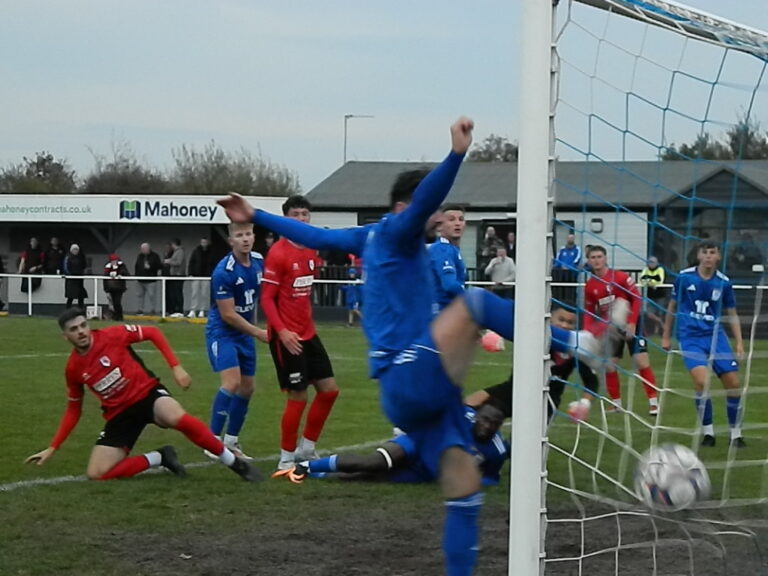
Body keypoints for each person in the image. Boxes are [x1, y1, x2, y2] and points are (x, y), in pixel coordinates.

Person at [217, 117, 602, 575]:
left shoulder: (371, 236)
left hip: (409, 397)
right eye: (433, 212)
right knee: (477, 303)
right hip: (410, 372)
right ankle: (573, 342)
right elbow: (418, 204)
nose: (439, 219)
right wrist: (457, 153)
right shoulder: (399, 231)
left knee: (464, 491)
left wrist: (255, 214)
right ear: (408, 206)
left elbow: (315, 236)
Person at [24, 308, 259, 482]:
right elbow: (74, 409)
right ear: (66, 337)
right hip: (118, 414)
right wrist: (53, 447)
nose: (81, 332)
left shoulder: (113, 335)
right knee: (97, 473)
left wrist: (175, 366)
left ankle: (233, 463)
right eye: (74, 330)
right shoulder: (73, 369)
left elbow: (153, 333)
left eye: (83, 325)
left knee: (177, 417)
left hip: (147, 394)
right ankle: (160, 457)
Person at [261, 195, 341, 473]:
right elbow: (267, 299)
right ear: (285, 219)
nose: (302, 219)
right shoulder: (278, 253)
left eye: (306, 214)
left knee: (329, 391)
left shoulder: (311, 249)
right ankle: (286, 457)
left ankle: (307, 448)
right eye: (296, 214)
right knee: (298, 396)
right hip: (286, 337)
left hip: (308, 333)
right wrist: (282, 332)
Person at [287, 402, 508, 488]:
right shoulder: (461, 415)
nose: (488, 426)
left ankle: (319, 476)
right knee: (376, 462)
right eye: (485, 420)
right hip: (416, 443)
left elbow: (490, 477)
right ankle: (307, 466)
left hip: (426, 471)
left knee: (366, 479)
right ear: (477, 417)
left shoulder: (497, 451)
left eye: (494, 424)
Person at [662, 242, 745, 447]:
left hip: (716, 336)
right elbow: (672, 307)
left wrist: (739, 343)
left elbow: (732, 313)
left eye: (713, 252)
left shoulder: (724, 282)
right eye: (705, 252)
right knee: (701, 382)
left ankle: (736, 434)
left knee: (733, 384)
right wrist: (666, 336)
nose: (708, 256)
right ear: (698, 256)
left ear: (718, 257)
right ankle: (708, 433)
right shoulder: (684, 277)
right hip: (690, 337)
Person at [205, 223, 268, 460]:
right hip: (222, 332)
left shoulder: (259, 262)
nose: (245, 239)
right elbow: (228, 315)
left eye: (248, 234)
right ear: (231, 241)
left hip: (245, 332)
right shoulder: (224, 271)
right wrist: (258, 332)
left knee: (248, 387)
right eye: (239, 235)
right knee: (231, 382)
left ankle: (231, 441)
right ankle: (211, 441)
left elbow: (257, 300)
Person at [584, 245, 659, 415]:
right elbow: (589, 311)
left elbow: (637, 299)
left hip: (632, 323)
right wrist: (587, 332)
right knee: (609, 365)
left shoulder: (620, 277)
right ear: (588, 261)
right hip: (611, 328)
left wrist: (632, 323)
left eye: (599, 256)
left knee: (641, 361)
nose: (596, 260)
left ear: (605, 258)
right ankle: (616, 404)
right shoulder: (590, 286)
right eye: (593, 257)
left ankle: (654, 402)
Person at [428, 203, 467, 312]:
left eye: (461, 219)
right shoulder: (442, 249)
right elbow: (449, 285)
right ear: (440, 226)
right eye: (451, 219)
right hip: (440, 314)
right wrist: (472, 299)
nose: (457, 223)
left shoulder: (452, 249)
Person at [187, 237, 216, 318]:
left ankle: (202, 310)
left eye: (205, 242)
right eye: (202, 242)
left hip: (206, 276)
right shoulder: (196, 251)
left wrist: (212, 274)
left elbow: (213, 264)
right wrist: (190, 273)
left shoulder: (211, 252)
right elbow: (191, 262)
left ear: (207, 242)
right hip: (196, 275)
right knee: (194, 294)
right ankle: (193, 310)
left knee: (204, 294)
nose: (204, 243)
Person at [640, 256, 666, 336]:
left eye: (652, 262)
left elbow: (659, 280)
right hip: (650, 296)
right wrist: (651, 282)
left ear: (657, 263)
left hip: (660, 295)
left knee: (659, 313)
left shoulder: (660, 269)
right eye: (649, 262)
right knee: (649, 313)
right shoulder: (646, 269)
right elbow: (642, 280)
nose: (650, 263)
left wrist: (649, 281)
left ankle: (656, 331)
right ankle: (662, 324)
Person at [553, 233, 581, 304]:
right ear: (566, 239)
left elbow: (577, 260)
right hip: (561, 273)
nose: (570, 239)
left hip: (572, 273)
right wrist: (560, 266)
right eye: (569, 238)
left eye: (572, 238)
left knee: (571, 290)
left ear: (574, 239)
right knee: (561, 290)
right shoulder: (562, 249)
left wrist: (569, 267)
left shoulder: (577, 249)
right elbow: (557, 259)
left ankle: (571, 305)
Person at [134, 243, 162, 315]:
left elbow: (159, 266)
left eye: (143, 249)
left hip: (151, 280)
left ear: (148, 248)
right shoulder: (140, 256)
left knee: (152, 295)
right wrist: (136, 276)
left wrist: (150, 267)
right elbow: (137, 266)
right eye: (141, 249)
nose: (142, 250)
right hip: (140, 280)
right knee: (139, 295)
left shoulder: (155, 256)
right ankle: (140, 310)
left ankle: (153, 309)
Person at [103, 254, 129, 322]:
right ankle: (116, 317)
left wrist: (120, 274)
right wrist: (106, 289)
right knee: (113, 303)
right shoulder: (107, 267)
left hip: (119, 288)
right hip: (110, 288)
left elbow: (126, 273)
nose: (114, 262)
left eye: (115, 260)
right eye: (113, 260)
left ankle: (120, 316)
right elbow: (105, 277)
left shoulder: (121, 266)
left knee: (117, 302)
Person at [164, 238, 186, 318]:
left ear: (174, 244)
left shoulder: (180, 251)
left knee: (178, 293)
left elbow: (178, 262)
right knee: (174, 293)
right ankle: (175, 310)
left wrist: (169, 261)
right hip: (174, 275)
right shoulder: (177, 252)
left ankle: (179, 310)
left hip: (178, 275)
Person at [63, 244, 88, 309]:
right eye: (74, 249)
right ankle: (67, 310)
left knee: (81, 295)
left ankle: (81, 309)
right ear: (71, 250)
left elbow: (84, 266)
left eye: (77, 249)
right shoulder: (68, 257)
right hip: (71, 279)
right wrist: (71, 275)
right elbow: (65, 268)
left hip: (79, 279)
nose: (75, 251)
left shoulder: (81, 257)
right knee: (70, 296)